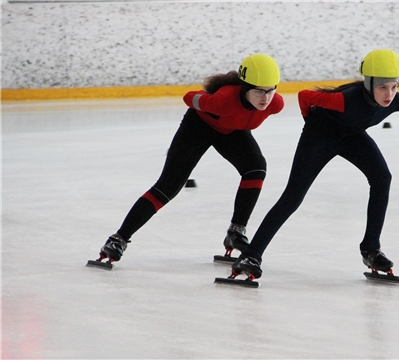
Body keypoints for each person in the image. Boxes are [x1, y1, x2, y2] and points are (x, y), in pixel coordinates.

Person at [231, 49, 399, 279]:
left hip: (352, 136)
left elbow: (370, 113)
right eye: (383, 87)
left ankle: (371, 249)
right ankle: (251, 255)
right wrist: (310, 123)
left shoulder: (397, 103)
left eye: (393, 86)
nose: (389, 94)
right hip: (320, 135)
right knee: (293, 196)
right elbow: (305, 96)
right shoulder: (345, 100)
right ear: (369, 83)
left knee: (382, 178)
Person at [93, 53, 284, 265]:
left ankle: (236, 231)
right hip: (199, 127)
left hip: (231, 130)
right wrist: (206, 98)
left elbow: (254, 108)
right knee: (169, 186)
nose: (265, 98)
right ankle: (118, 239)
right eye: (259, 91)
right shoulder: (223, 100)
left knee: (256, 168)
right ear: (245, 87)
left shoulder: (276, 104)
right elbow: (188, 97)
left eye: (270, 90)